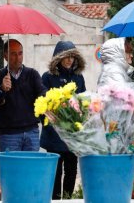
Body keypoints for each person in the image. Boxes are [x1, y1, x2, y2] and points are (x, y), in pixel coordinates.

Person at [40, 41, 86, 199]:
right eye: (66, 56)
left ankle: (67, 199)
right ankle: (54, 199)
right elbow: (42, 105)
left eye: (72, 56)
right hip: (54, 135)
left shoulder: (79, 78)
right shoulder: (47, 77)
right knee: (56, 172)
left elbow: (83, 101)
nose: (69, 60)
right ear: (58, 58)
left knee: (72, 171)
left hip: (72, 135)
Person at [0, 39, 47, 152]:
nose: (18, 57)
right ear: (5, 56)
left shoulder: (32, 74)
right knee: (11, 168)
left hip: (31, 131)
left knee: (31, 167)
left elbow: (42, 92)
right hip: (9, 133)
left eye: (20, 53)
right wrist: (2, 89)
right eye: (13, 54)